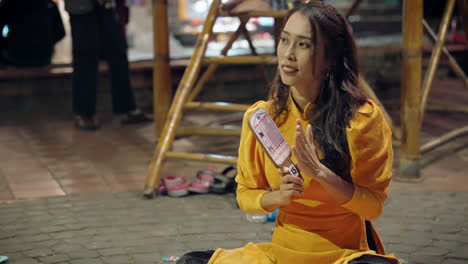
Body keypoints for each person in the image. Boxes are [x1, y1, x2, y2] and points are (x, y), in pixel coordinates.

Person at [177, 1, 399, 264]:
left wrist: (322, 175)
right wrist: (278, 197)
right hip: (282, 254)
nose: (288, 54)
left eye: (303, 44)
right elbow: (246, 194)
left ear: (331, 58)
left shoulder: (362, 119)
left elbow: (372, 206)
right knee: (190, 261)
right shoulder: (262, 118)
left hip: (345, 255)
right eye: (284, 40)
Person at [64, 0, 152, 130]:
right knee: (85, 55)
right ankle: (84, 113)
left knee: (118, 52)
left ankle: (126, 108)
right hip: (81, 5)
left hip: (105, 5)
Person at [0, 0, 65, 67]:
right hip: (43, 55)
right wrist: (47, 42)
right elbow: (60, 32)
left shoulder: (9, 4)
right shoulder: (48, 4)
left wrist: (7, 44)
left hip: (15, 54)